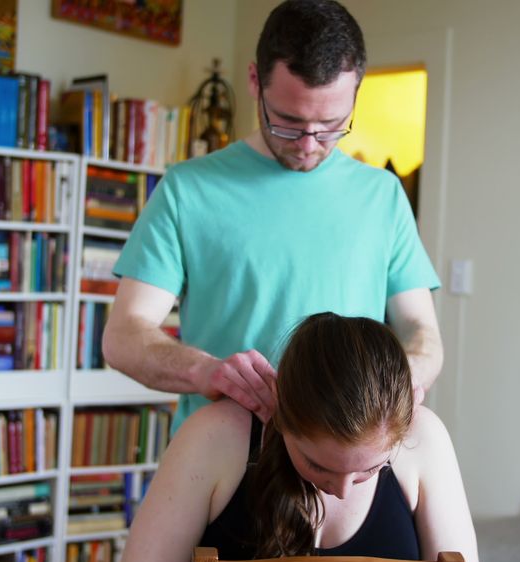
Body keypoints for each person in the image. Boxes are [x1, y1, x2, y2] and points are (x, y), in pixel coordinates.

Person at [102, 0, 442, 430]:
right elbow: (123, 337)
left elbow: (421, 330)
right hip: (220, 462)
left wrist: (407, 375)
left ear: (356, 91)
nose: (309, 143)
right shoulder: (187, 190)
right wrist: (207, 372)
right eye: (288, 122)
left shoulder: (383, 195)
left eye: (332, 125)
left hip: (347, 462)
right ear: (253, 81)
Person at [118, 313, 480, 562]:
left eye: (371, 468)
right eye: (318, 465)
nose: (341, 489)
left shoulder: (424, 440)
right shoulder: (213, 439)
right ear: (279, 411)